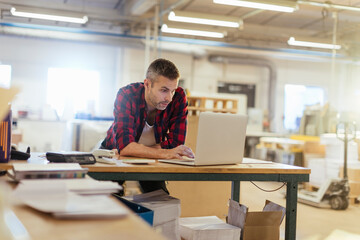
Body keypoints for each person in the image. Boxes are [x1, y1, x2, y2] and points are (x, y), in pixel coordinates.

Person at [101, 58, 195, 194]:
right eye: (164, 90)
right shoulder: (127, 95)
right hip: (113, 152)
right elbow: (125, 147)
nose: (169, 98)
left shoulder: (178, 97)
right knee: (108, 197)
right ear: (147, 84)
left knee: (160, 198)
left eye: (172, 90)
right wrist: (165, 152)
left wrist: (138, 150)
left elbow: (176, 144)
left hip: (152, 157)